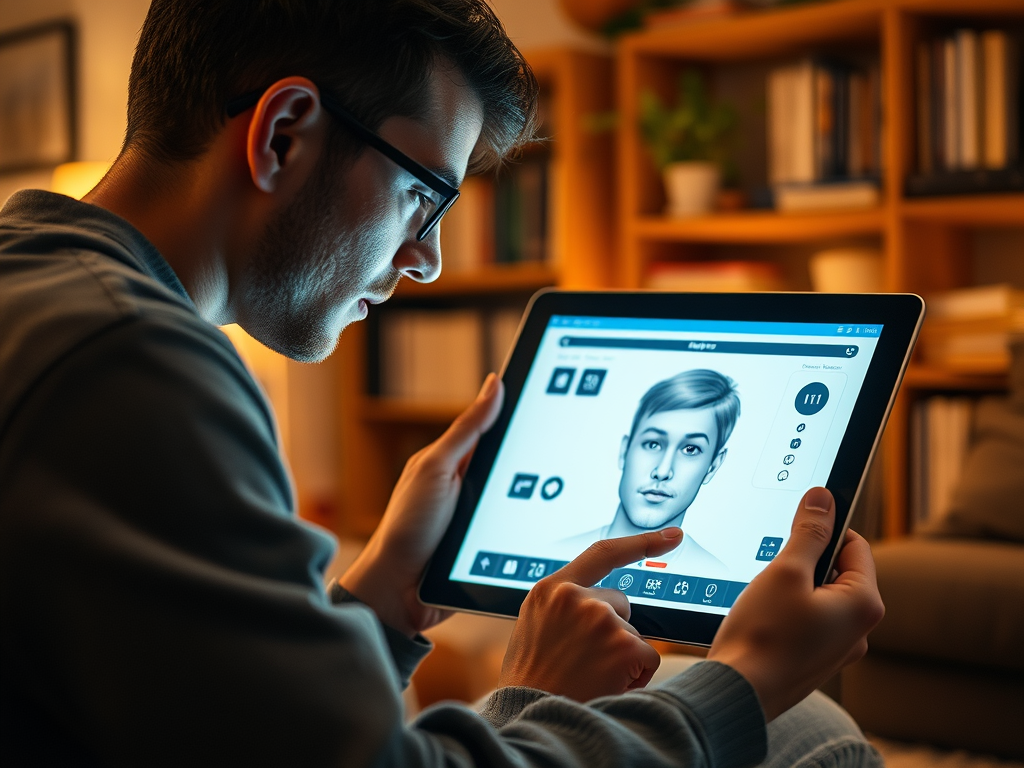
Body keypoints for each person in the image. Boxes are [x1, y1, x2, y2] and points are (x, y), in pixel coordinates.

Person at [0, 1, 885, 765]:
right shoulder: (131, 361)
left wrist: (384, 593)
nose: (425, 261)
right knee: (803, 724)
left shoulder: (39, 294)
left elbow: (218, 718)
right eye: (425, 199)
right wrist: (735, 682)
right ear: (285, 134)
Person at [563, 369, 738, 575]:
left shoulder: (717, 575)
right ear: (624, 451)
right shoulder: (559, 555)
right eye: (653, 444)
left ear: (713, 466)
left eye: (690, 449)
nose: (663, 471)